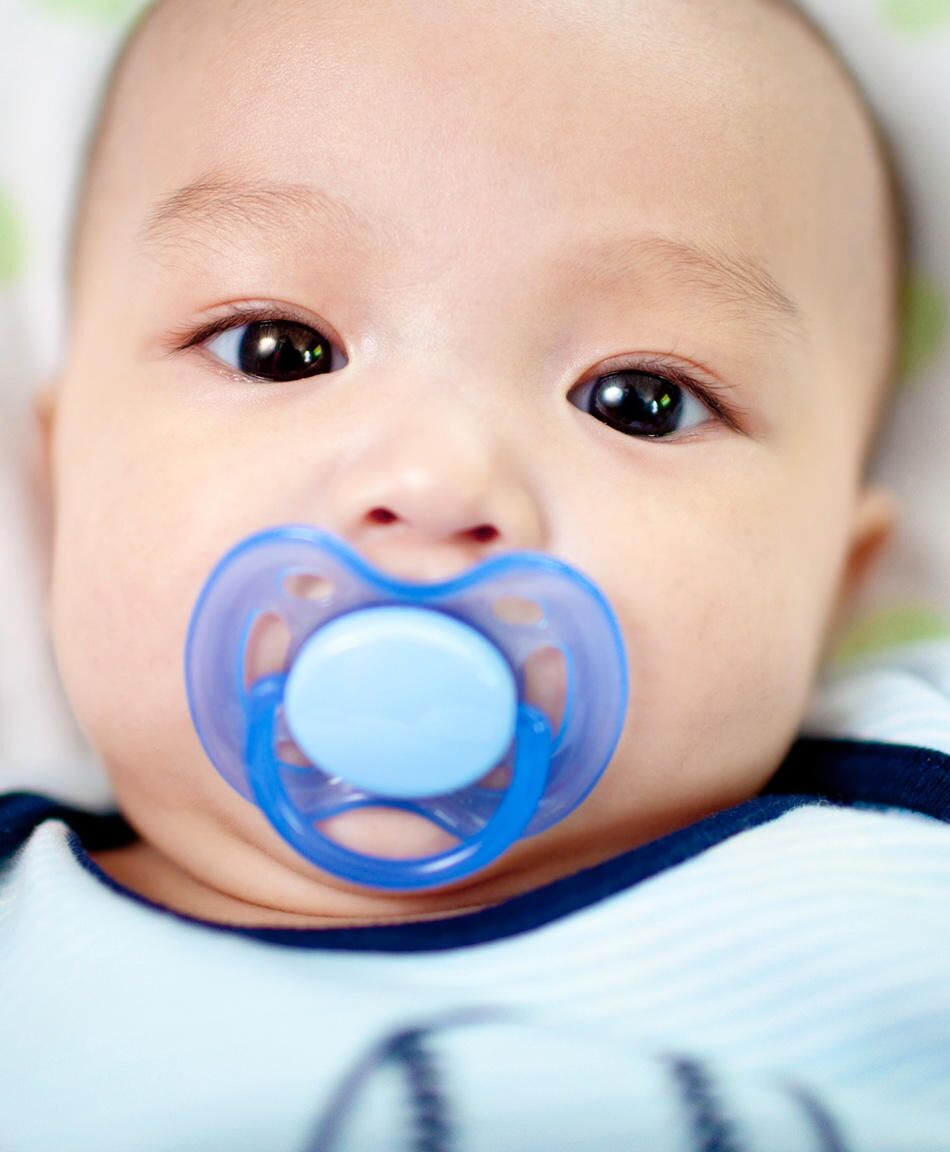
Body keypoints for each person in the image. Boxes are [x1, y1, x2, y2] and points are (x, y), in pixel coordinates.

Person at [4, 1, 948, 1148]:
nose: (439, 480)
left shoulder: (905, 826)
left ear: (835, 585)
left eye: (637, 403)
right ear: (61, 485)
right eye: (280, 350)